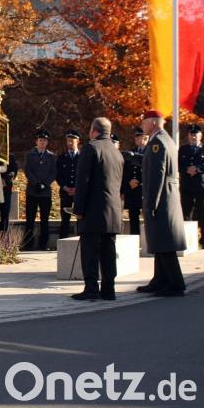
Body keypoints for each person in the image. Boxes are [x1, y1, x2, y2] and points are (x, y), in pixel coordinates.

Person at [71, 118, 124, 301]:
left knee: (90, 251)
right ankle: (109, 289)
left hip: (93, 211)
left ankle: (91, 288)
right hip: (113, 211)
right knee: (108, 252)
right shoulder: (117, 153)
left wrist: (78, 209)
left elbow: (83, 182)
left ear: (93, 130)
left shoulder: (91, 148)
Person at [137, 110, 187, 297]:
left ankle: (174, 283)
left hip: (162, 198)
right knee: (160, 241)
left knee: (164, 243)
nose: (142, 126)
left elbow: (158, 174)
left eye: (144, 122)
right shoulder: (164, 140)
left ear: (154, 123)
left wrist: (152, 203)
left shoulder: (158, 142)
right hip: (167, 196)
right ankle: (160, 279)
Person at [22, 129, 57, 251]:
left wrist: (45, 184)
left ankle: (43, 244)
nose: (42, 142)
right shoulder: (29, 155)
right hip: (32, 190)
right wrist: (36, 183)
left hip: (45, 192)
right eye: (40, 140)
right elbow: (27, 170)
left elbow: (53, 172)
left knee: (44, 220)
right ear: (36, 141)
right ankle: (28, 243)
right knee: (30, 219)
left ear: (47, 142)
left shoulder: (52, 156)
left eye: (44, 140)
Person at [178, 124, 204, 249]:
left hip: (201, 184)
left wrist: (197, 169)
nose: (193, 136)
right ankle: (187, 239)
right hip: (187, 184)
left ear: (200, 136)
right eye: (191, 134)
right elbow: (178, 164)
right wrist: (187, 170)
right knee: (186, 211)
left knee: (203, 212)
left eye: (195, 134)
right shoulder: (183, 149)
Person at [121, 128, 148, 235]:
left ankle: (148, 240)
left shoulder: (151, 151)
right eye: (135, 136)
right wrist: (129, 181)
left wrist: (139, 181)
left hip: (144, 189)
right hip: (132, 189)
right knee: (133, 216)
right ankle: (135, 238)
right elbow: (126, 170)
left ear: (145, 137)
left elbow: (150, 170)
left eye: (138, 136)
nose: (135, 138)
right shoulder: (131, 152)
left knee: (147, 216)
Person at [56, 130, 81, 239]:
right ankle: (63, 240)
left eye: (72, 141)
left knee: (80, 217)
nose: (70, 143)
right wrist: (64, 186)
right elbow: (58, 174)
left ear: (78, 141)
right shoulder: (62, 157)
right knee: (65, 218)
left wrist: (77, 187)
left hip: (79, 192)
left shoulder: (83, 157)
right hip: (65, 192)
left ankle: (81, 239)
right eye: (68, 141)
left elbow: (85, 174)